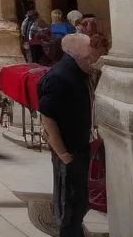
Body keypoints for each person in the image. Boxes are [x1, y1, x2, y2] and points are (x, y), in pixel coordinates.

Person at [38, 32, 101, 237]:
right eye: (89, 54)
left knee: (80, 202)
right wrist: (63, 155)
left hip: (79, 147)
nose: (92, 58)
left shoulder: (77, 71)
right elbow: (47, 117)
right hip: (69, 152)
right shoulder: (60, 76)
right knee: (71, 207)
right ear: (77, 55)